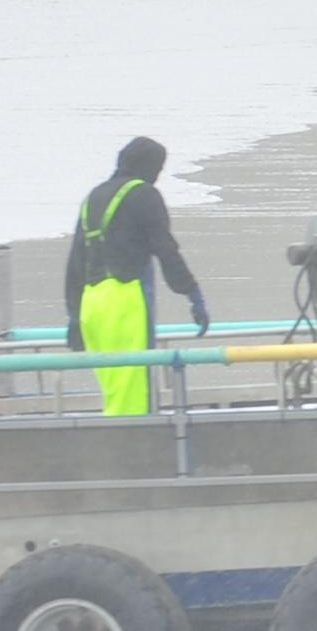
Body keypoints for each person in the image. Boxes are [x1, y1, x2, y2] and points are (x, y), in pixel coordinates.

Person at [64, 135, 211, 419]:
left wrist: (73, 316)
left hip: (91, 306)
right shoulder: (144, 194)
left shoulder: (93, 198)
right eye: (158, 169)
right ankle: (131, 458)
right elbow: (165, 248)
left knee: (114, 392)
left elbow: (75, 263)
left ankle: (114, 453)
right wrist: (192, 293)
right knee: (133, 396)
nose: (157, 177)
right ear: (148, 166)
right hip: (125, 302)